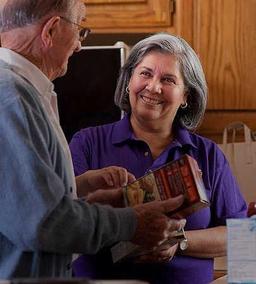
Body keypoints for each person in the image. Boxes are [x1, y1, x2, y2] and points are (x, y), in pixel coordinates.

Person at [0, 1, 186, 280]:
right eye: (79, 30)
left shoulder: (20, 93)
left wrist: (81, 192)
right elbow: (44, 223)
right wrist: (132, 224)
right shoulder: (12, 98)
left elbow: (22, 199)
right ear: (51, 30)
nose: (78, 45)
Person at [69, 33, 248, 284]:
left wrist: (179, 241)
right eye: (145, 73)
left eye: (168, 79)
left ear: (186, 95)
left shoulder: (208, 155)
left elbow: (241, 238)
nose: (153, 87)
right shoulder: (87, 143)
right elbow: (65, 223)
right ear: (129, 80)